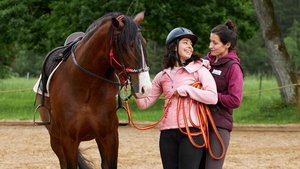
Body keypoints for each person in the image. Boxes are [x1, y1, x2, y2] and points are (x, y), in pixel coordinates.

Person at [134, 27, 218, 169]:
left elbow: (212, 97)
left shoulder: (200, 70)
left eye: (191, 44)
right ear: (174, 46)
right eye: (185, 42)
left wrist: (188, 90)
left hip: (192, 131)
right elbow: (144, 103)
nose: (190, 47)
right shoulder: (162, 76)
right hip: (167, 133)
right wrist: (134, 87)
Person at [201, 20, 244, 169]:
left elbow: (235, 100)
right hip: (198, 123)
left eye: (215, 43)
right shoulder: (204, 62)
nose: (210, 46)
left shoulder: (233, 68)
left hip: (218, 125)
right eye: (210, 41)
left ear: (227, 45)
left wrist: (210, 96)